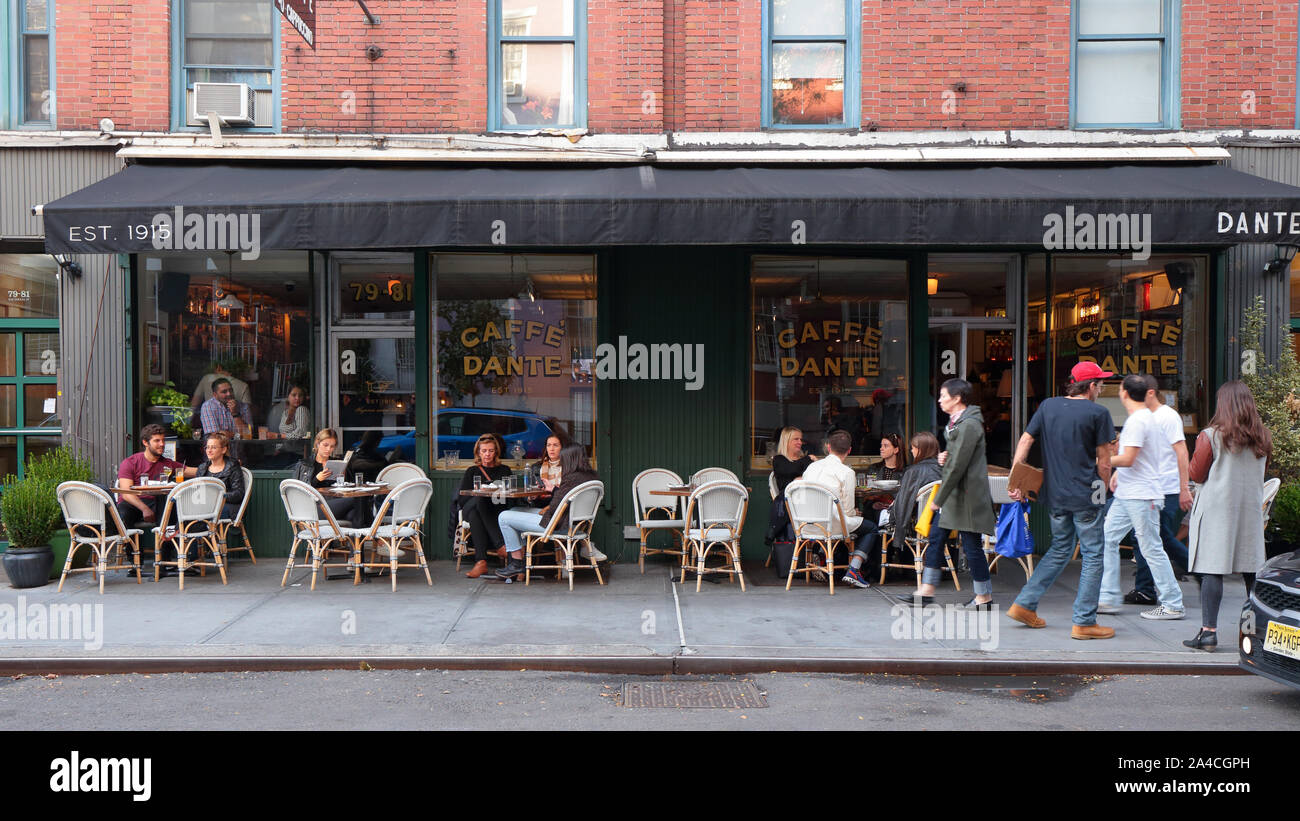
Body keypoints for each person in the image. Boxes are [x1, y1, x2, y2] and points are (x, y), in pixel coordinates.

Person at [1006, 361, 1117, 638]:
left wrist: (1015, 479)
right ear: (1091, 386)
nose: (1101, 389)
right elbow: (1104, 462)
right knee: (1093, 555)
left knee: (1059, 549)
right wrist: (1103, 491)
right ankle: (1084, 621)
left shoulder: (1048, 406)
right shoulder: (1098, 413)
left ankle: (1025, 604)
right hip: (1085, 494)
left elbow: (1025, 441)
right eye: (1100, 384)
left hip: (1054, 495)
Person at [1181, 381, 1272, 651]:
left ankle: (1208, 633)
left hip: (1217, 509)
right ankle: (1251, 635)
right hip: (1249, 510)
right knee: (1251, 571)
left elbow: (1196, 474)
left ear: (1223, 405)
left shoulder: (1210, 436)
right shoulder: (1263, 437)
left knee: (1212, 570)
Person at [903, 378, 996, 609]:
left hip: (966, 496)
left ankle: (983, 597)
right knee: (936, 537)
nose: (940, 400)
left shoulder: (968, 425)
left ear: (956, 399)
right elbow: (957, 459)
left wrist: (937, 499)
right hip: (957, 495)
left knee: (971, 546)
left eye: (944, 396)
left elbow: (958, 467)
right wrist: (945, 456)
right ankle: (927, 590)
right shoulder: (958, 423)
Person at [1098, 374, 1185, 621]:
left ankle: (1173, 603)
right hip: (1131, 493)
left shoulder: (1138, 420)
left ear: (1123, 392)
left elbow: (1128, 459)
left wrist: (1100, 462)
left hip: (1141, 494)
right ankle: (1108, 597)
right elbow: (1136, 459)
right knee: (1109, 537)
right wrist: (1118, 476)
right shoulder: (1144, 418)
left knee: (1151, 548)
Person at [1122, 373, 1193, 606]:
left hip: (1166, 488)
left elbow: (1182, 452)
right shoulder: (1145, 417)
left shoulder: (1167, 416)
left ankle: (1196, 570)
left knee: (1154, 537)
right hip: (1151, 488)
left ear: (1150, 393)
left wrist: (1184, 488)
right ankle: (1146, 589)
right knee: (1149, 537)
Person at [843, 431, 941, 589]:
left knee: (872, 522)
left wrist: (890, 505)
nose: (881, 448)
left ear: (896, 450)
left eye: (885, 445)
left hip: (906, 517)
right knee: (871, 515)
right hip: (931, 519)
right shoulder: (939, 469)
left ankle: (871, 568)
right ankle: (870, 566)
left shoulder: (910, 471)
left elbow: (904, 500)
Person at [496, 444, 600, 579]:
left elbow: (555, 506)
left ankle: (516, 564)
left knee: (504, 517)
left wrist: (552, 495)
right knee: (515, 510)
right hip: (574, 525)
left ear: (570, 460)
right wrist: (554, 490)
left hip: (556, 525)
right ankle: (518, 563)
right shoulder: (590, 477)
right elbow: (565, 501)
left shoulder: (570, 478)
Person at [114, 424, 197, 576]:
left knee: (169, 506)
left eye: (163, 440)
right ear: (146, 443)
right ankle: (135, 563)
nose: (162, 444)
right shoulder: (130, 462)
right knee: (123, 512)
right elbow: (126, 493)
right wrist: (144, 508)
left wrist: (219, 464)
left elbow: (192, 471)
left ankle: (165, 562)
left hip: (158, 502)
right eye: (157, 441)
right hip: (134, 503)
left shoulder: (167, 463)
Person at [801, 430, 868, 580]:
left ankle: (823, 555)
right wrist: (855, 513)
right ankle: (854, 569)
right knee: (871, 528)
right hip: (832, 525)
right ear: (849, 451)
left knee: (845, 521)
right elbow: (848, 510)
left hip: (806, 524)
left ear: (828, 447)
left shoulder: (811, 467)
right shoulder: (846, 472)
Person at [457, 433, 514, 578]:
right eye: (484, 451)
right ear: (478, 452)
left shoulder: (504, 470)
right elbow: (462, 499)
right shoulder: (472, 471)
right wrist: (481, 493)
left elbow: (507, 497)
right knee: (480, 499)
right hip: (470, 506)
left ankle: (481, 562)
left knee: (476, 513)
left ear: (496, 452)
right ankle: (500, 545)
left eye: (491, 450)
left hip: (496, 508)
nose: (487, 454)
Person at [293, 428, 357, 523]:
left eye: (332, 446)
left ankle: (351, 537)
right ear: (318, 444)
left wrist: (343, 477)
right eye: (325, 445)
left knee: (353, 514)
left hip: (335, 503)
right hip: (314, 507)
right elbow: (298, 493)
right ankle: (368, 536)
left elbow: (347, 489)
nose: (328, 449)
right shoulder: (305, 465)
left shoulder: (336, 463)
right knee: (357, 500)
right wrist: (316, 479)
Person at [195, 431, 245, 521]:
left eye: (213, 447)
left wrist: (219, 496)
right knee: (186, 512)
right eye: (207, 447)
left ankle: (203, 534)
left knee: (202, 515)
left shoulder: (232, 466)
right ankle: (182, 533)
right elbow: (196, 492)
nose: (209, 451)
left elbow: (238, 494)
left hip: (227, 506)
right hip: (206, 506)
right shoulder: (202, 468)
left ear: (223, 450)